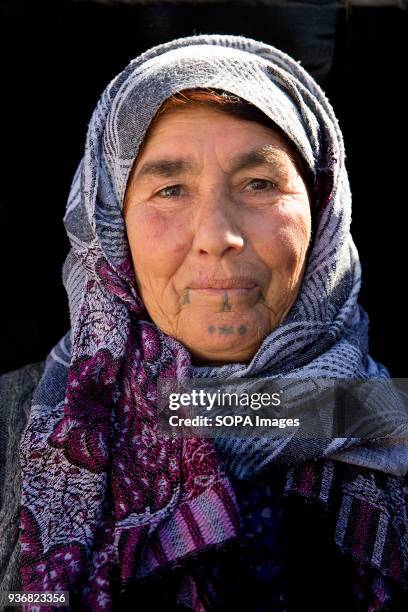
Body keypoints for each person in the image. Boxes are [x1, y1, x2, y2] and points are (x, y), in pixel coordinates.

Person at [0, 34, 407, 611]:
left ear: (321, 212)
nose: (218, 237)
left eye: (259, 184)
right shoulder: (12, 423)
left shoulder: (386, 418)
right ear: (113, 228)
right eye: (170, 190)